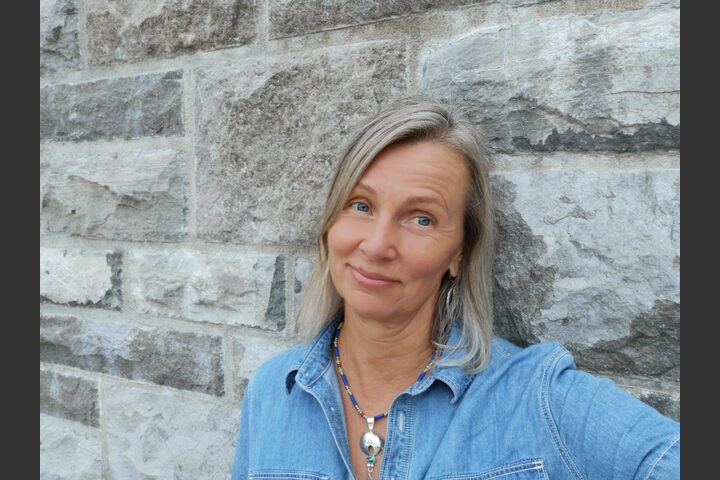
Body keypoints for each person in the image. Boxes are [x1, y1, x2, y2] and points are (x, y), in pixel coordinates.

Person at [231, 97, 680, 479]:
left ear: (459, 253)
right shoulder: (272, 392)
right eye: (361, 205)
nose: (378, 245)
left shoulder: (535, 396)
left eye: (421, 218)